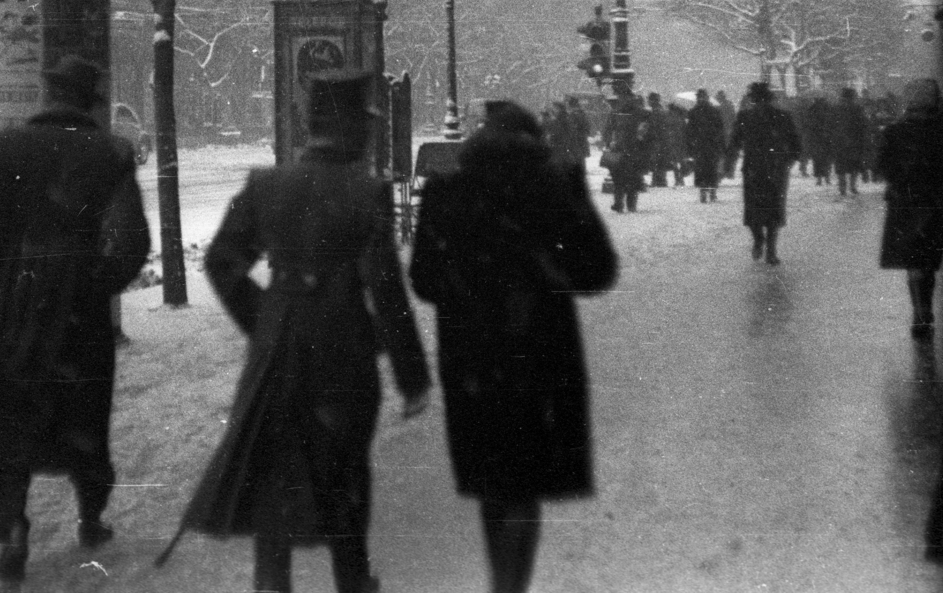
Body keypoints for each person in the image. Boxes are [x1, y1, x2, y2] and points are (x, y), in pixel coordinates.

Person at [173, 69, 430, 593]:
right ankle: (352, 581)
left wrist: (266, 319)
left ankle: (273, 584)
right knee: (344, 469)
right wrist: (412, 376)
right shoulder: (365, 193)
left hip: (276, 350)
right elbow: (386, 291)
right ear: (352, 128)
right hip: (344, 355)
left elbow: (222, 261)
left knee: (275, 468)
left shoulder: (265, 186)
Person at [0, 55, 151, 583]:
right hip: (78, 306)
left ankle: (12, 527)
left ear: (48, 93)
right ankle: (90, 515)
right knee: (82, 408)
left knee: (8, 412)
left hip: (16, 301)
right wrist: (97, 280)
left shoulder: (10, 147)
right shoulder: (110, 152)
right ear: (89, 99)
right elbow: (132, 241)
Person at [410, 101, 619, 593]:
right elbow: (598, 271)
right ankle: (511, 585)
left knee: (492, 481)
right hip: (541, 354)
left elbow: (423, 279)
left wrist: (469, 286)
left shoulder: (447, 191)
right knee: (526, 484)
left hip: (472, 357)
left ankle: (501, 581)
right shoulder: (558, 185)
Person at [877, 78, 943, 339]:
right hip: (936, 202)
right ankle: (924, 309)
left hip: (904, 203)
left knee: (913, 260)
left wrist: (899, 181)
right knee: (928, 260)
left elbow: (882, 166)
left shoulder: (895, 131)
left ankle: (919, 311)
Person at [724, 81, 802, 264]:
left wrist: (729, 164)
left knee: (754, 210)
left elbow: (734, 143)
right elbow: (796, 144)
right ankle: (770, 250)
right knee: (773, 210)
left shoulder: (745, 117)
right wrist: (787, 162)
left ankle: (760, 240)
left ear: (753, 99)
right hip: (775, 170)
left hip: (754, 169)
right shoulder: (783, 116)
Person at [601, 82, 651, 213]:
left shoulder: (617, 112)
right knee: (630, 178)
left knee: (620, 178)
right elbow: (647, 130)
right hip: (632, 150)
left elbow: (607, 130)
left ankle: (621, 204)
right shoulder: (639, 112)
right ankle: (628, 204)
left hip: (623, 149)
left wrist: (609, 142)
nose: (622, 99)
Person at [685, 89, 726, 203]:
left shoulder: (694, 112)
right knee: (709, 168)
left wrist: (690, 145)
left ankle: (706, 191)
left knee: (703, 169)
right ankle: (710, 192)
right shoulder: (712, 111)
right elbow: (720, 129)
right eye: (700, 97)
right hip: (709, 144)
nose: (701, 99)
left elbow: (689, 131)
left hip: (702, 145)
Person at [831, 87, 868, 196]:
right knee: (854, 164)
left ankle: (842, 187)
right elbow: (863, 124)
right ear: (852, 96)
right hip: (855, 140)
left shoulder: (835, 108)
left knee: (841, 165)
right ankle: (852, 186)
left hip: (839, 141)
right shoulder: (858, 108)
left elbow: (831, 124)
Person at [805, 95, 834, 185]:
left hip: (816, 138)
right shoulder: (828, 109)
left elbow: (808, 123)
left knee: (817, 159)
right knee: (827, 159)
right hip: (826, 137)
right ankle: (827, 178)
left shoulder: (811, 109)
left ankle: (819, 179)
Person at [645, 92, 672, 187]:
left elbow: (655, 128)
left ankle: (658, 181)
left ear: (653, 101)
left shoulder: (656, 112)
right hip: (662, 141)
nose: (648, 101)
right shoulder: (661, 111)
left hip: (657, 141)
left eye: (649, 99)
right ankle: (659, 181)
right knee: (660, 162)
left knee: (657, 161)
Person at [564, 95, 592, 167]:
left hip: (576, 141)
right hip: (581, 141)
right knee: (580, 160)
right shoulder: (582, 114)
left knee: (576, 161)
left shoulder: (574, 115)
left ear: (571, 105)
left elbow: (571, 128)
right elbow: (587, 128)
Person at [716, 90, 738, 179]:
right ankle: (729, 172)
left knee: (721, 153)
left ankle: (721, 172)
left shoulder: (717, 107)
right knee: (729, 153)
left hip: (721, 133)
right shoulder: (729, 105)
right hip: (729, 132)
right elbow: (733, 118)